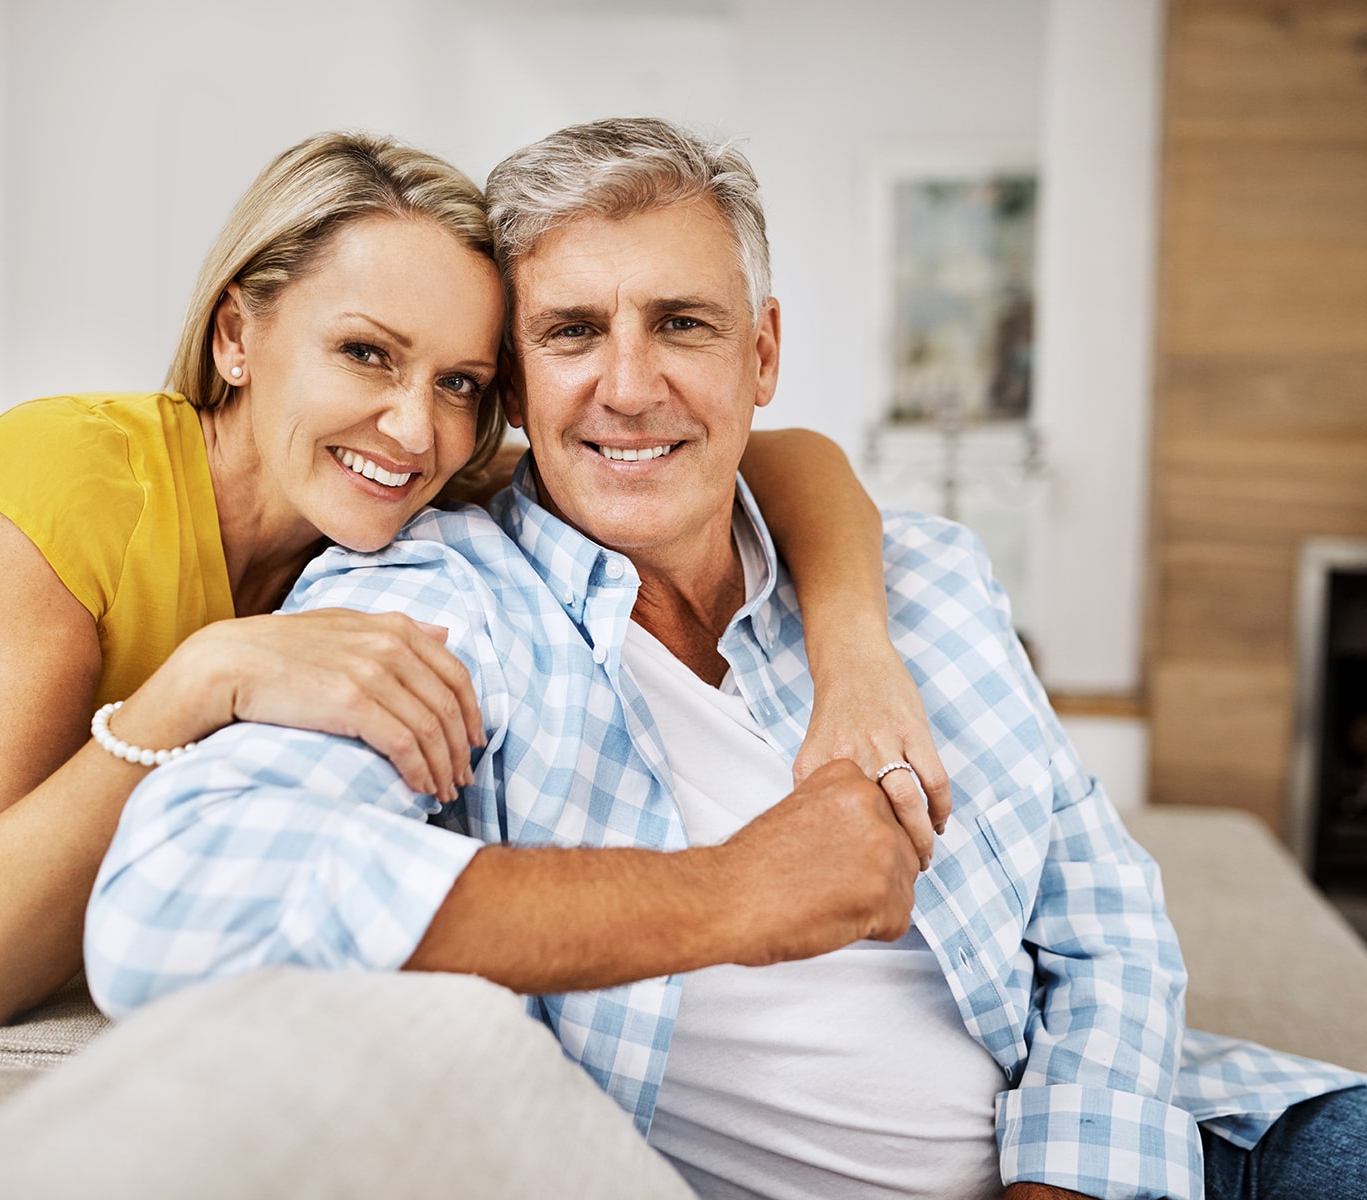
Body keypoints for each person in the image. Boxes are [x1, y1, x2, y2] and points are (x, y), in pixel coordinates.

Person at [85, 118, 1367, 1200]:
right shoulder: (440, 602)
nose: (630, 386)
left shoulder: (924, 585)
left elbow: (1104, 931)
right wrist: (731, 894)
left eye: (682, 325)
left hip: (1173, 1146)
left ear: (761, 354)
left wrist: (1063, 1181)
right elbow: (173, 902)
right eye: (573, 332)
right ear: (518, 393)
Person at [0, 131, 943, 1137]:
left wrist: (855, 650)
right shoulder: (68, 476)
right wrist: (204, 679)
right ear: (237, 335)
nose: (410, 424)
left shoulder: (424, 505)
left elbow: (786, 457)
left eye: (459, 382)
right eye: (365, 354)